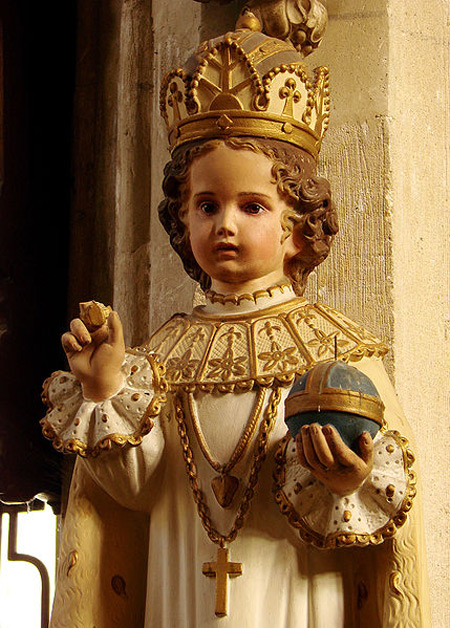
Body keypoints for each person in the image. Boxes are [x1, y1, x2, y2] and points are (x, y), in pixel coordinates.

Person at [41, 22, 427, 628]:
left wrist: (351, 479)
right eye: (206, 205)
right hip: (177, 596)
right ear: (181, 219)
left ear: (298, 225)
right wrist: (104, 390)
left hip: (296, 588)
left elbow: (387, 490)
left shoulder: (335, 351)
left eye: (252, 206)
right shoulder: (158, 358)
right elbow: (133, 492)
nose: (225, 224)